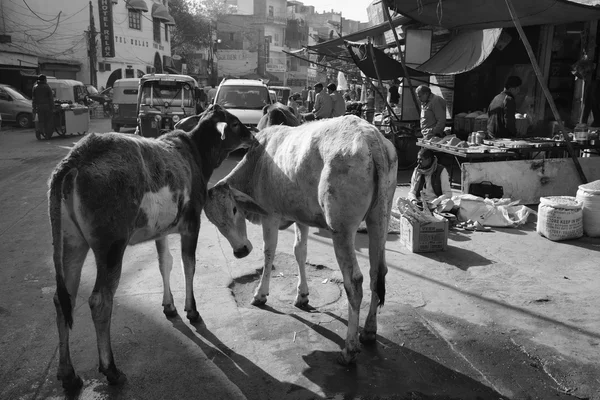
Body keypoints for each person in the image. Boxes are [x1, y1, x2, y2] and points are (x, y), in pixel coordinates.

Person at [32, 74, 55, 139]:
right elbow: (51, 98)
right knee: (48, 121)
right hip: (47, 107)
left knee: (40, 121)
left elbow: (33, 99)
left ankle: (39, 132)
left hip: (39, 107)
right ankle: (47, 135)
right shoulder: (47, 87)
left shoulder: (35, 87)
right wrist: (53, 107)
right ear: (44, 79)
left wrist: (34, 108)